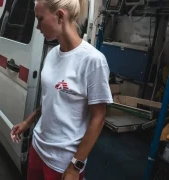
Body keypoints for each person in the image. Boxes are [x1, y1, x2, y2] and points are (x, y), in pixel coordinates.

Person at [10, 0, 113, 180]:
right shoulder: (52, 55)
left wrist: (76, 166)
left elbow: (99, 117)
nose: (37, 26)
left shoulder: (93, 60)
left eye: (40, 19)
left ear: (59, 16)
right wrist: (28, 122)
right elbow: (52, 99)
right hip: (38, 147)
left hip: (63, 162)